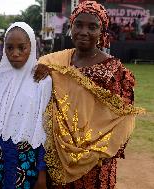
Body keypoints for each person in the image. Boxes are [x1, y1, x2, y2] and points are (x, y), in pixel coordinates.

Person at [34, 1, 143, 188]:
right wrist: (41, 72)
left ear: (102, 32)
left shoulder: (115, 73)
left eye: (92, 27)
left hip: (96, 164)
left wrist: (94, 153)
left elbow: (123, 122)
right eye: (79, 25)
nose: (84, 31)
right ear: (71, 27)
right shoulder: (55, 62)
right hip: (60, 159)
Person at [0, 22, 52, 189]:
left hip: (26, 158)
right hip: (0, 155)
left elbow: (44, 128)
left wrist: (41, 173)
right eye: (9, 48)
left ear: (31, 47)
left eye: (21, 48)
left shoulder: (42, 80)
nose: (15, 53)